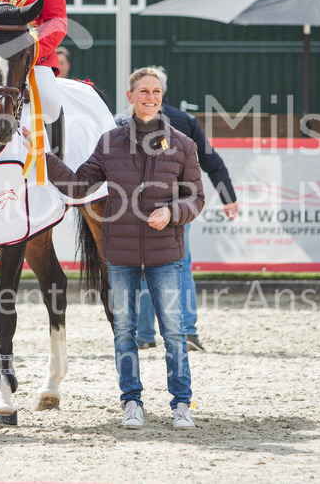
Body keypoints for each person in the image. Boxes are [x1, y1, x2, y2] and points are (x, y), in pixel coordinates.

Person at [28, 66, 205, 430]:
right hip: (121, 256)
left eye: (155, 92)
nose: (150, 97)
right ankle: (131, 402)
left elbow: (196, 198)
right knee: (124, 332)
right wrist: (41, 152)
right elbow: (78, 187)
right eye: (143, 92)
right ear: (131, 97)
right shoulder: (110, 143)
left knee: (173, 332)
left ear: (162, 97)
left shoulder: (183, 145)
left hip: (165, 254)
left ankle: (182, 403)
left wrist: (172, 212)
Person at [115, 68, 239, 352]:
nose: (150, 95)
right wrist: (228, 196)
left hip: (133, 207)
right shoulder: (185, 121)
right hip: (177, 207)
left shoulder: (119, 120)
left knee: (142, 268)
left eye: (153, 90)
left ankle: (144, 334)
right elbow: (212, 161)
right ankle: (187, 331)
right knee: (180, 266)